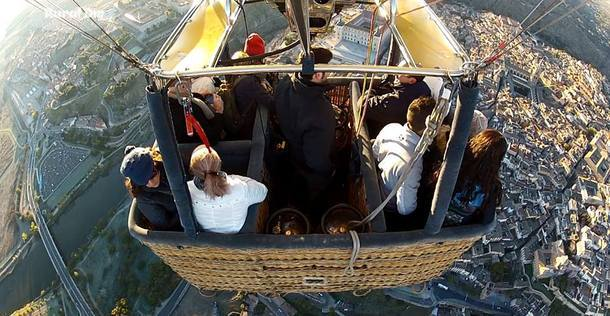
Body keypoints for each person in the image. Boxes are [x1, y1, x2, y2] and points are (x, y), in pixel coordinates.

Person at [274, 47, 335, 204]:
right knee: (315, 198)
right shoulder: (320, 112)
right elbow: (317, 160)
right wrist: (329, 171)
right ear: (318, 74)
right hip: (308, 170)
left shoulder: (284, 84)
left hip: (290, 154)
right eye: (327, 70)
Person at [372, 96, 436, 215]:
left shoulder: (390, 128)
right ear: (428, 129)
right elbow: (405, 209)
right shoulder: (412, 166)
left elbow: (375, 154)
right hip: (385, 208)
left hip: (378, 186)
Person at [188, 145, 267, 233]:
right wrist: (232, 178)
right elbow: (263, 191)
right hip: (237, 232)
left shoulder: (186, 190)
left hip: (207, 237)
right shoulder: (239, 188)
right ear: (219, 164)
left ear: (193, 170)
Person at [120, 146, 179, 230]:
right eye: (143, 181)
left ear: (155, 164)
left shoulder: (170, 162)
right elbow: (166, 225)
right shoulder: (144, 198)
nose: (151, 183)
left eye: (152, 175)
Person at [364, 63, 431, 136]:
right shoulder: (422, 87)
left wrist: (371, 91)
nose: (394, 74)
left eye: (398, 74)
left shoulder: (398, 100)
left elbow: (364, 106)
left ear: (411, 80)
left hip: (384, 131)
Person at [226, 51, 274, 139]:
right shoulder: (249, 82)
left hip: (241, 126)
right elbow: (269, 101)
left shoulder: (234, 79)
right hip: (250, 128)